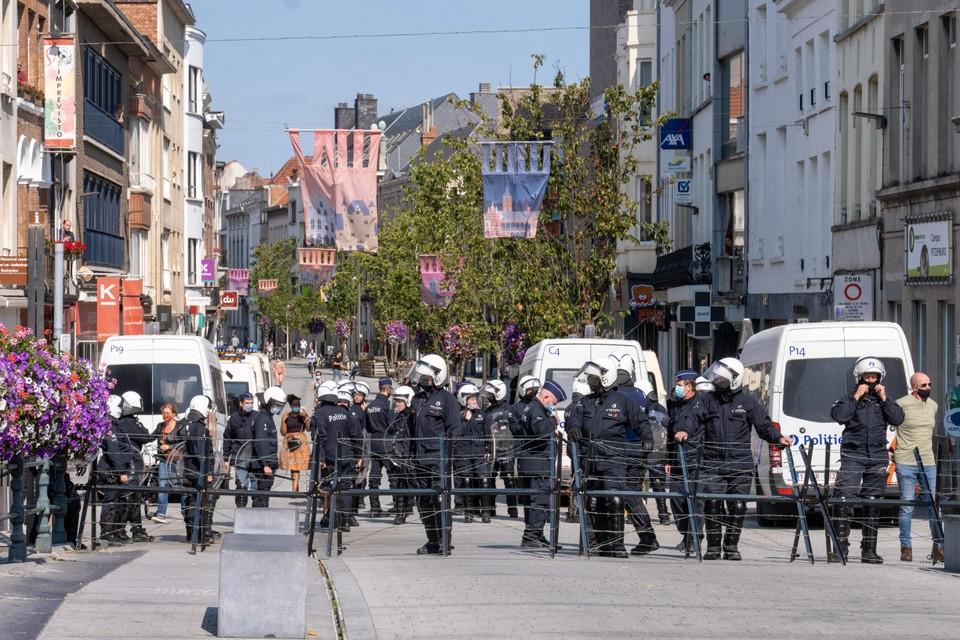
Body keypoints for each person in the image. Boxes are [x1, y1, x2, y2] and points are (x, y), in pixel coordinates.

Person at [701, 357, 791, 561]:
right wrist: (683, 431)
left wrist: (778, 438)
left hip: (739, 463)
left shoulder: (747, 403)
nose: (717, 383)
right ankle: (713, 547)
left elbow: (764, 426)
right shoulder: (706, 400)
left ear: (734, 381)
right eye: (716, 379)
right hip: (712, 463)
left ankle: (731, 547)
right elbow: (692, 420)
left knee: (738, 506)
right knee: (713, 503)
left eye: (722, 380)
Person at [566, 357, 650, 558]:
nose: (590, 381)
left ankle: (616, 546)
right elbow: (573, 419)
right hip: (590, 460)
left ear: (606, 378)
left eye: (594, 378)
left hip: (614, 459)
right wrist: (574, 429)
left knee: (614, 499)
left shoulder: (623, 402)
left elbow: (642, 422)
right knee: (593, 501)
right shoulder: (584, 402)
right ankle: (594, 545)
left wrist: (647, 438)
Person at [830, 357, 905, 564]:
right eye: (867, 376)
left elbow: (898, 419)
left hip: (877, 456)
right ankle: (840, 548)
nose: (871, 380)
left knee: (873, 502)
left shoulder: (884, 402)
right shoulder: (848, 398)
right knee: (844, 499)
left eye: (874, 377)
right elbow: (840, 416)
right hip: (853, 455)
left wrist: (884, 398)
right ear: (859, 377)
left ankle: (869, 550)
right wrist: (856, 396)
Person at [610, 353, 660, 556]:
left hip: (619, 451)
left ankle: (616, 541)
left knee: (618, 496)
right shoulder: (640, 394)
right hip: (638, 450)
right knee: (630, 494)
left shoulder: (614, 396)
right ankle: (644, 537)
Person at [410, 354, 460, 555]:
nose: (422, 381)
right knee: (423, 502)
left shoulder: (448, 401)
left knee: (440, 500)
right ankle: (432, 540)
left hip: (438, 460)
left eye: (426, 378)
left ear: (438, 377)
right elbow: (408, 428)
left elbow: (454, 430)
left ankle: (444, 541)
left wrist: (445, 456)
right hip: (419, 459)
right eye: (421, 377)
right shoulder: (417, 399)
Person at [893, 372, 944, 563]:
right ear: (914, 387)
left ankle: (939, 547)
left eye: (929, 384)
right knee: (907, 505)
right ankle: (906, 547)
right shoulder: (901, 404)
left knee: (933, 506)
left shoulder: (933, 406)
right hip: (906, 460)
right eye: (923, 385)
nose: (928, 388)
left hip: (929, 462)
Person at [666, 370, 714, 553]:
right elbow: (671, 433)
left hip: (695, 459)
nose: (676, 388)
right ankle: (686, 534)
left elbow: (691, 422)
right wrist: (668, 459)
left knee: (695, 502)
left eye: (680, 385)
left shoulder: (700, 403)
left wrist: (685, 432)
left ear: (690, 386)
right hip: (678, 460)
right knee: (677, 502)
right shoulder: (674, 405)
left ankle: (695, 537)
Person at [516, 380, 565, 548]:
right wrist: (553, 421)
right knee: (540, 502)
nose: (553, 406)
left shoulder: (532, 407)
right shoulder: (537, 410)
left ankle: (536, 535)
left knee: (536, 502)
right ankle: (530, 536)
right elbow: (540, 431)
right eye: (553, 403)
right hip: (538, 465)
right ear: (545, 397)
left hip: (535, 463)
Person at [171, 395, 216, 544]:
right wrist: (207, 471)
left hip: (191, 470)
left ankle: (194, 532)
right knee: (203, 502)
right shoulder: (200, 427)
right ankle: (201, 533)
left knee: (192, 501)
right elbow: (201, 452)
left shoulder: (191, 425)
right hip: (199, 472)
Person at [114, 391, 154, 543]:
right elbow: (145, 436)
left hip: (133, 462)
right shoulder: (128, 422)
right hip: (132, 463)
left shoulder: (127, 421)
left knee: (133, 496)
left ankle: (134, 529)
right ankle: (127, 529)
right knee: (130, 496)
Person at [453, 383, 492, 524]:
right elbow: (456, 434)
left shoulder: (482, 414)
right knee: (467, 480)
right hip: (463, 453)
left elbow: (487, 433)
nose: (474, 401)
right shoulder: (457, 415)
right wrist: (465, 420)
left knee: (484, 479)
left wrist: (488, 449)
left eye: (475, 398)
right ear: (463, 399)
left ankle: (486, 512)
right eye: (471, 398)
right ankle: (468, 513)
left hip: (479, 452)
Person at [98, 396, 133, 546]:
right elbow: (113, 452)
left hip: (117, 469)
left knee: (119, 501)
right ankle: (106, 532)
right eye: (119, 406)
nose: (121, 409)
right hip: (111, 471)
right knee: (111, 501)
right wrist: (121, 472)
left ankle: (115, 531)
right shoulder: (109, 426)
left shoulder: (115, 424)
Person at [482, 380, 519, 519]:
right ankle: (491, 509)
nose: (488, 396)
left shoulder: (510, 410)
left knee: (509, 480)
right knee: (490, 479)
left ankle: (513, 509)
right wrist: (486, 448)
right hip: (492, 449)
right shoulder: (487, 412)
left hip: (507, 449)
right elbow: (484, 432)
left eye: (491, 394)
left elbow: (515, 429)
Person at [247, 386, 285, 507]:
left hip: (267, 464)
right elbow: (261, 442)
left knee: (264, 496)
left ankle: (261, 522)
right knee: (260, 497)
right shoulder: (262, 419)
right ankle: (258, 523)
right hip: (262, 466)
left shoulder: (267, 417)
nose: (278, 408)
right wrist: (266, 464)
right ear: (269, 403)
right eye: (277, 404)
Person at [385, 385, 416, 524]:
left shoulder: (413, 417)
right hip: (399, 455)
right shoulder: (399, 416)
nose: (397, 404)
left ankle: (411, 509)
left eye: (400, 401)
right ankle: (400, 513)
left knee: (412, 485)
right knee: (399, 484)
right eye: (396, 401)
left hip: (410, 456)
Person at [365, 378, 394, 517]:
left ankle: (374, 507)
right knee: (393, 476)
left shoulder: (370, 406)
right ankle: (398, 505)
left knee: (374, 477)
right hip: (386, 443)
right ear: (388, 389)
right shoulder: (387, 405)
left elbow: (368, 427)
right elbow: (392, 425)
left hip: (374, 442)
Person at [224, 393, 258, 508]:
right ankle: (241, 510)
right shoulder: (234, 418)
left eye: (251, 403)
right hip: (239, 457)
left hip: (255, 458)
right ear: (241, 404)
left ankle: (256, 513)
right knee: (241, 486)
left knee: (255, 486)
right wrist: (226, 458)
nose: (249, 405)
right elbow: (227, 438)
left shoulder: (257, 416)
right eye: (247, 403)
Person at [150, 403, 180, 524]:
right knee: (162, 485)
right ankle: (161, 513)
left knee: (179, 486)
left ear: (173, 414)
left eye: (168, 413)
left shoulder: (179, 426)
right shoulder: (160, 426)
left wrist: (169, 446)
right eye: (164, 413)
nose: (165, 415)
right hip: (163, 460)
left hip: (177, 461)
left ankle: (187, 511)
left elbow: (184, 442)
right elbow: (151, 437)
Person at [280, 394, 311, 493]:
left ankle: (294, 490)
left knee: (297, 466)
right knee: (292, 467)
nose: (297, 406)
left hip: (301, 441)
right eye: (295, 405)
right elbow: (283, 432)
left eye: (298, 404)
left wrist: (306, 416)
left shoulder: (302, 415)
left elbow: (309, 428)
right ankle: (295, 487)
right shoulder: (286, 415)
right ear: (291, 406)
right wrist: (283, 421)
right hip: (289, 441)